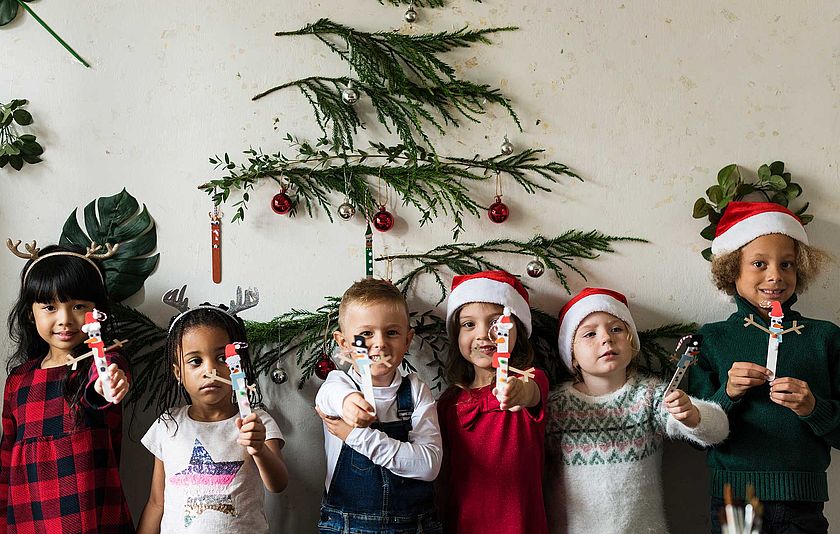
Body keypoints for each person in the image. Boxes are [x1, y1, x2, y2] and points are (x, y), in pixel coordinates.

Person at [686, 201, 838, 533]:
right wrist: (727, 395)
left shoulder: (824, 338)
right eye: (759, 263)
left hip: (804, 502)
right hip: (735, 502)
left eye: (787, 264)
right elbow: (694, 437)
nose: (775, 276)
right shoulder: (712, 339)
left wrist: (815, 409)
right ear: (731, 270)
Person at [545, 287, 729, 533]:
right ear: (572, 355)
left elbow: (718, 430)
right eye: (590, 334)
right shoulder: (555, 406)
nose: (606, 339)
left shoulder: (650, 396)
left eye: (616, 329)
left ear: (632, 343)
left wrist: (693, 415)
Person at [1, 242, 133, 532]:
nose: (65, 319)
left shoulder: (104, 361)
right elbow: (6, 460)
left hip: (92, 517)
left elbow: (102, 385)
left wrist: (105, 386)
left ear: (97, 312)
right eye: (50, 307)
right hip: (28, 520)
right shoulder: (18, 381)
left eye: (78, 306)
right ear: (29, 313)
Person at [137, 288, 287, 533]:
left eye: (221, 358)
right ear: (178, 373)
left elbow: (278, 484)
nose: (210, 371)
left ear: (237, 366)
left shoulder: (256, 420)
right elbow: (156, 502)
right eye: (196, 361)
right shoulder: (168, 424)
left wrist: (258, 449)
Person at [314, 278, 442, 534]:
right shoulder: (339, 384)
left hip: (412, 526)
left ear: (407, 340)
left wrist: (356, 436)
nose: (380, 343)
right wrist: (348, 402)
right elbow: (328, 397)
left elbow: (428, 465)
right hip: (346, 525)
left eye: (392, 332)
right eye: (366, 334)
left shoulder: (416, 391)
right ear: (344, 343)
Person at [436, 270, 549, 534]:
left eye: (496, 323)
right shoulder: (449, 403)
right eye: (468, 324)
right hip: (464, 523)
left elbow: (530, 392)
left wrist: (518, 392)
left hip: (520, 524)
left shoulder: (531, 379)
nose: (484, 334)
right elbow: (443, 477)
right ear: (456, 335)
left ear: (516, 331)